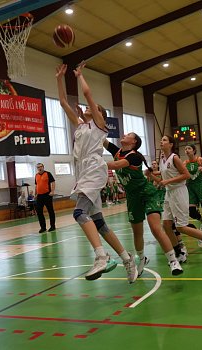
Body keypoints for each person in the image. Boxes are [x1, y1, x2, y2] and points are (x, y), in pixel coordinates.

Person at [56, 63, 137, 283]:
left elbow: (88, 93)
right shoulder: (81, 126)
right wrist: (59, 78)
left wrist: (80, 75)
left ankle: (102, 257)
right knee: (99, 223)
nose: (89, 107)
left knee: (78, 214)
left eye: (95, 108)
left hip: (94, 169)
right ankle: (127, 258)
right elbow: (63, 102)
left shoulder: (100, 126)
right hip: (83, 171)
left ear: (101, 115)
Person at [105, 132, 183, 276]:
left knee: (155, 228)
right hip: (132, 196)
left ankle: (173, 261)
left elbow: (115, 165)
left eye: (128, 134)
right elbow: (100, 139)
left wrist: (93, 163)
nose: (123, 134)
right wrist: (87, 124)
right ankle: (141, 258)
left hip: (147, 193)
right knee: (137, 232)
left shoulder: (134, 156)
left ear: (133, 141)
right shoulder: (117, 151)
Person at [150, 136, 202, 262]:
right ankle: (179, 252)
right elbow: (163, 180)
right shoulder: (162, 160)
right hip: (169, 193)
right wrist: (150, 175)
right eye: (161, 140)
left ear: (171, 144)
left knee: (180, 227)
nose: (161, 142)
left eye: (165, 140)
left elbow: (186, 175)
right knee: (166, 225)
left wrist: (167, 181)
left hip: (179, 192)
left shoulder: (175, 158)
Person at [35, 163, 56, 233]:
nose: (39, 168)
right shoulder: (36, 175)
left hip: (47, 195)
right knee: (39, 212)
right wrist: (36, 194)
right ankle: (43, 227)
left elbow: (53, 182)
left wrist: (52, 191)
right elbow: (37, 185)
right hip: (39, 196)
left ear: (43, 167)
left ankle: (52, 226)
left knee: (50, 211)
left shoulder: (48, 174)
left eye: (40, 167)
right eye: (38, 167)